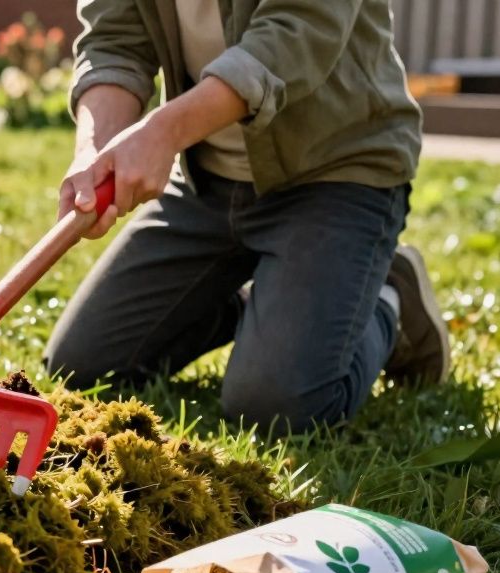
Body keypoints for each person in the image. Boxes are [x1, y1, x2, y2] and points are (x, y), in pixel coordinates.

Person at [46, 0, 449, 432]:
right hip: (207, 180)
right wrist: (94, 151)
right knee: (81, 368)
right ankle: (276, 309)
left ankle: (390, 297)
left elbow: (297, 31)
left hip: (334, 175)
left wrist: (162, 133)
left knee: (275, 409)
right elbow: (114, 40)